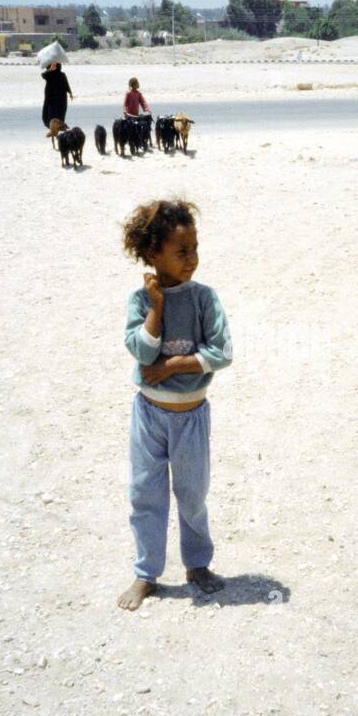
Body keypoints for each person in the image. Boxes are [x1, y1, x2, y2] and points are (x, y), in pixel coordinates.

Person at [119, 200, 233, 611]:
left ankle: (197, 565)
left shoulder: (204, 299)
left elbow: (222, 351)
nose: (192, 259)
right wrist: (157, 308)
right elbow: (140, 351)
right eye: (181, 252)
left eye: (195, 249)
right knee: (144, 494)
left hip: (192, 417)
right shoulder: (140, 300)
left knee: (192, 494)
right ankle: (146, 574)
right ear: (153, 254)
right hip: (149, 416)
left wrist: (175, 366)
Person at [41, 61, 73, 129]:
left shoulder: (61, 74)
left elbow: (66, 84)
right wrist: (50, 70)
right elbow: (43, 75)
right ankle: (54, 130)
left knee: (58, 115)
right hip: (52, 99)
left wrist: (70, 92)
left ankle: (57, 130)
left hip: (59, 99)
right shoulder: (49, 74)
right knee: (52, 116)